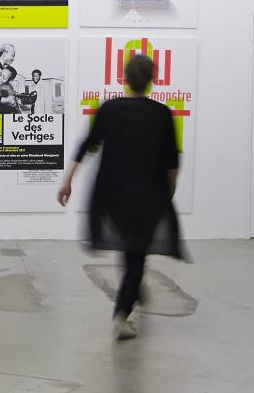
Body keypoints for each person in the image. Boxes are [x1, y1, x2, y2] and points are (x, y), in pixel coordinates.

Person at [57, 52, 184, 340]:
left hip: (112, 195)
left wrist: (67, 182)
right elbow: (172, 162)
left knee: (130, 248)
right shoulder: (162, 114)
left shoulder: (109, 108)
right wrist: (168, 193)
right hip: (147, 195)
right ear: (151, 80)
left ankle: (133, 291)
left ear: (125, 78)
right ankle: (121, 314)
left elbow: (86, 146)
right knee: (136, 255)